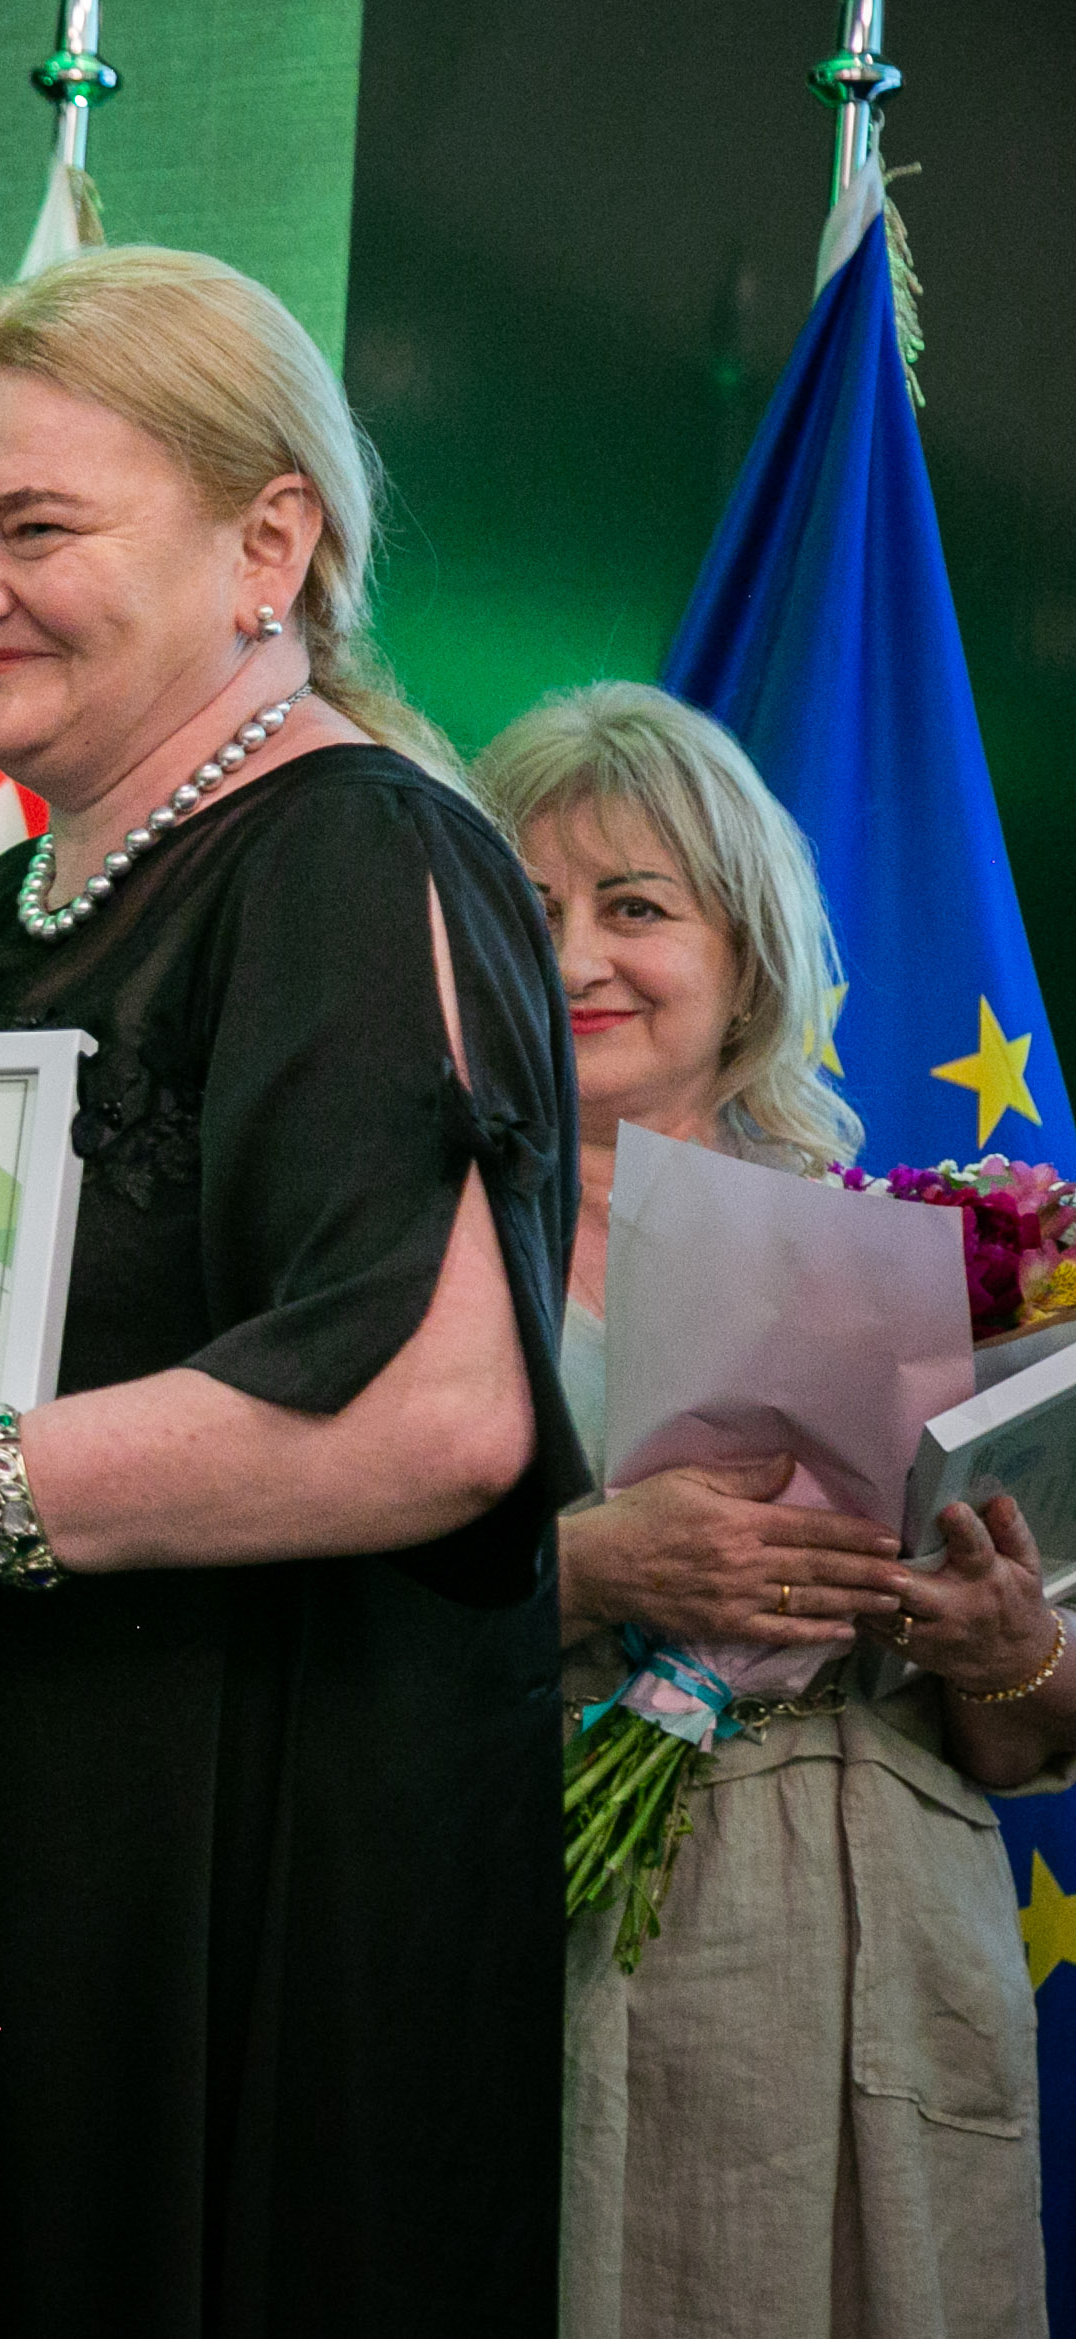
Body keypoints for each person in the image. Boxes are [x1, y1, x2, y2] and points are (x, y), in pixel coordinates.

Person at [0, 247, 586, 2334]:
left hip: (184, 1962)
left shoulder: (356, 851)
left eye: (32, 528)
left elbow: (432, 1413)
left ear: (268, 543)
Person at [471, 680, 1076, 2339]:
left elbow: (1033, 1724)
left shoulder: (920, 1253)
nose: (575, 957)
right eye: (527, 909)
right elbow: (291, 1627)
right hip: (537, 1927)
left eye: (634, 908)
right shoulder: (412, 1252)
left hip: (891, 1949)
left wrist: (1002, 1644)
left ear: (743, 954)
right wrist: (585, 1569)